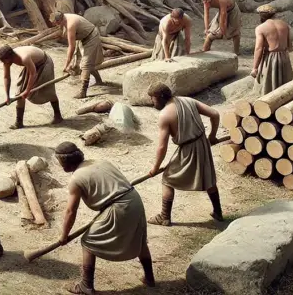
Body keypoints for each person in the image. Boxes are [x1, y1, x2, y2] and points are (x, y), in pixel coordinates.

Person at [55, 142, 154, 295]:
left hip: (119, 207)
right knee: (139, 239)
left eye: (59, 162)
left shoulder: (76, 178)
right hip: (133, 199)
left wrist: (63, 236)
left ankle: (86, 286)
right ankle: (150, 278)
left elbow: (70, 211)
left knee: (88, 242)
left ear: (65, 162)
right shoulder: (100, 161)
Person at [146, 83, 222, 227]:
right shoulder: (188, 100)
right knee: (208, 178)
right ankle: (218, 212)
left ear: (160, 97)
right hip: (202, 144)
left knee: (167, 179)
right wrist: (212, 136)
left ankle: (164, 216)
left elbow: (162, 147)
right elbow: (215, 114)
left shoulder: (165, 115)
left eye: (152, 98)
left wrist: (155, 168)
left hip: (188, 149)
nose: (151, 102)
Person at [0, 44, 62, 128]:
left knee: (49, 91)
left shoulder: (24, 58)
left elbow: (33, 74)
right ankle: (19, 122)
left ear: (9, 57)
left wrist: (27, 90)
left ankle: (58, 116)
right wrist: (7, 96)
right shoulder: (7, 60)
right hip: (32, 66)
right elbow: (6, 77)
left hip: (44, 63)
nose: (3, 62)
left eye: (3, 60)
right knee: (19, 92)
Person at [52, 11, 104, 99]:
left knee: (85, 64)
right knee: (81, 61)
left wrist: (66, 65)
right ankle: (99, 80)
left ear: (58, 21)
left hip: (91, 37)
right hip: (83, 37)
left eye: (54, 23)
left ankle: (83, 91)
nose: (54, 24)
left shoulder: (71, 24)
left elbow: (71, 47)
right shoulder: (64, 18)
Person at [251, 4, 293, 94]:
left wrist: (255, 68)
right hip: (284, 56)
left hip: (270, 59)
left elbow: (259, 48)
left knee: (269, 86)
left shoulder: (260, 28)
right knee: (285, 86)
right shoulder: (285, 25)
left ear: (260, 16)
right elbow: (290, 46)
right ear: (274, 14)